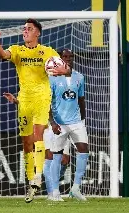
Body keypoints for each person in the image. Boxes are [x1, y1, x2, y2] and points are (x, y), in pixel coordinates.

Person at [0, 19, 71, 203]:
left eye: (29, 29)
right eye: (24, 29)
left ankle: (38, 176)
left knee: (37, 135)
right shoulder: (17, 50)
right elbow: (2, 54)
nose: (25, 31)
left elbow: (65, 68)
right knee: (26, 142)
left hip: (42, 97)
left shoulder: (47, 51)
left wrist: (63, 70)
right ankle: (31, 180)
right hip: (24, 100)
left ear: (37, 33)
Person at [2, 93, 72, 200]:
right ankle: (52, 193)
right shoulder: (39, 87)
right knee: (50, 158)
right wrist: (16, 101)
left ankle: (52, 185)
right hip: (47, 127)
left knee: (64, 160)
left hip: (63, 126)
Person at [49, 49, 88, 201]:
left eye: (70, 56)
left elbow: (81, 99)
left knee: (84, 150)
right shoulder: (52, 78)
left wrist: (83, 119)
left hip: (77, 122)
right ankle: (55, 192)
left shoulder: (79, 77)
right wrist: (52, 122)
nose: (68, 58)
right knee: (57, 156)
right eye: (65, 56)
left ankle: (76, 188)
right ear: (59, 59)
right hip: (59, 123)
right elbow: (47, 102)